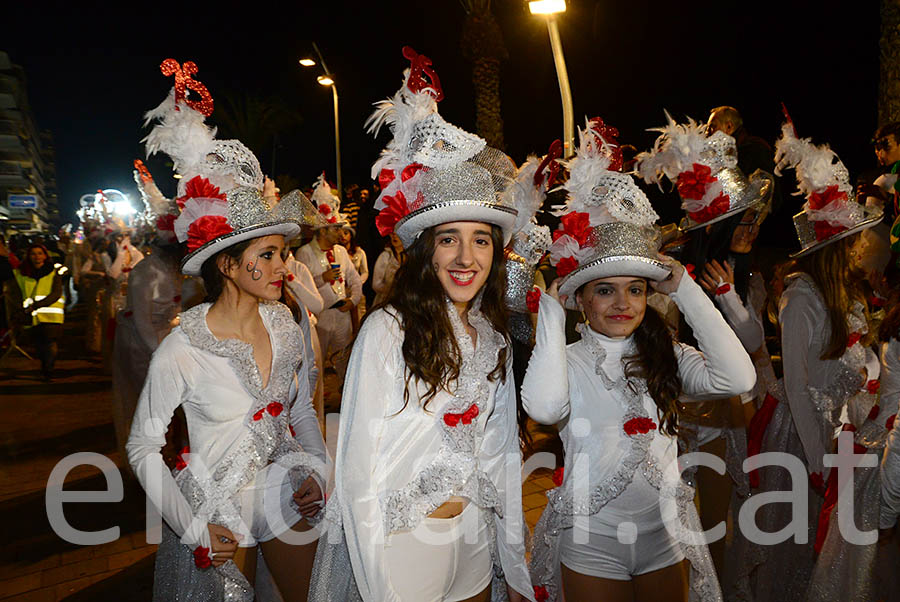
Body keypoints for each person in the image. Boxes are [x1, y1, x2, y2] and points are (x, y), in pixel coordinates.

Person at [310, 47, 534, 602]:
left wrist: (511, 544)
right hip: (406, 546)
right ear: (425, 250)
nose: (466, 256)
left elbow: (502, 447)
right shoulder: (388, 329)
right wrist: (376, 582)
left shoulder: (494, 337)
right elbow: (358, 464)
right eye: (448, 238)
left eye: (481, 239)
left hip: (476, 542)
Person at [526, 119, 754, 602]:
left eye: (635, 289)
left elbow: (738, 376)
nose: (622, 303)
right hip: (592, 544)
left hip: (663, 540)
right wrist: (550, 310)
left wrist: (687, 290)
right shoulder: (566, 360)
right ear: (582, 300)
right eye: (604, 290)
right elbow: (545, 410)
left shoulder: (665, 355)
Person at [127, 58, 327, 602]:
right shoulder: (184, 347)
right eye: (269, 255)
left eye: (284, 254)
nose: (285, 267)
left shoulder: (287, 324)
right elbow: (143, 447)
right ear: (229, 265)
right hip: (212, 507)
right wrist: (192, 528)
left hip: (283, 492)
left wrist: (316, 470)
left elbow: (301, 409)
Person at [745, 122, 884, 602]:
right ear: (833, 246)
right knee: (798, 533)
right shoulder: (801, 298)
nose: (860, 248)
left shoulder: (849, 291)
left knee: (833, 542)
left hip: (845, 425)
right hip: (806, 432)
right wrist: (818, 457)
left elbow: (861, 357)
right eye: (852, 240)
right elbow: (801, 385)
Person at [296, 175, 362, 386]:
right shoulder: (304, 254)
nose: (340, 233)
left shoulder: (341, 252)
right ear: (323, 230)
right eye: (335, 229)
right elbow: (298, 289)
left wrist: (354, 301)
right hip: (320, 318)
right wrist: (321, 279)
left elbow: (355, 280)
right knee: (316, 362)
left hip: (342, 315)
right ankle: (317, 404)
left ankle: (347, 396)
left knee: (345, 362)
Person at [11, 242, 66, 380]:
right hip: (31, 317)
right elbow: (16, 293)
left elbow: (56, 293)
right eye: (33, 254)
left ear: (45, 256)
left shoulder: (53, 272)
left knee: (50, 343)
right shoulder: (21, 273)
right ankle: (45, 366)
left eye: (40, 253)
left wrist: (37, 305)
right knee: (39, 345)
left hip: (51, 315)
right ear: (29, 256)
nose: (37, 257)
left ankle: (48, 370)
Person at [338, 225, 368, 322]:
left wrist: (358, 282)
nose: (343, 236)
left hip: (355, 289)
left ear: (351, 235)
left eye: (346, 233)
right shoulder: (336, 252)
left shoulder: (359, 252)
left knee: (358, 318)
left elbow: (365, 272)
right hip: (341, 290)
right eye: (340, 234)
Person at [372, 233, 404, 306]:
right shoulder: (385, 256)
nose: (394, 236)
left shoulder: (412, 256)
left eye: (397, 233)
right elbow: (376, 284)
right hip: (385, 302)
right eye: (392, 233)